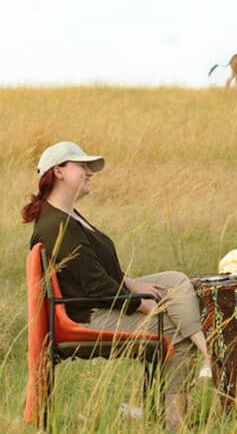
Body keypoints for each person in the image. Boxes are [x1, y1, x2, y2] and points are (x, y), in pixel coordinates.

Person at [22, 141, 211, 427]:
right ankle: (175, 422)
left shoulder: (68, 215)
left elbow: (96, 268)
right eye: (82, 166)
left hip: (104, 299)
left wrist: (131, 282)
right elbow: (97, 287)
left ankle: (206, 350)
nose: (90, 172)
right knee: (172, 330)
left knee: (174, 280)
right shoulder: (56, 225)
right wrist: (141, 304)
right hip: (88, 316)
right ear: (58, 171)